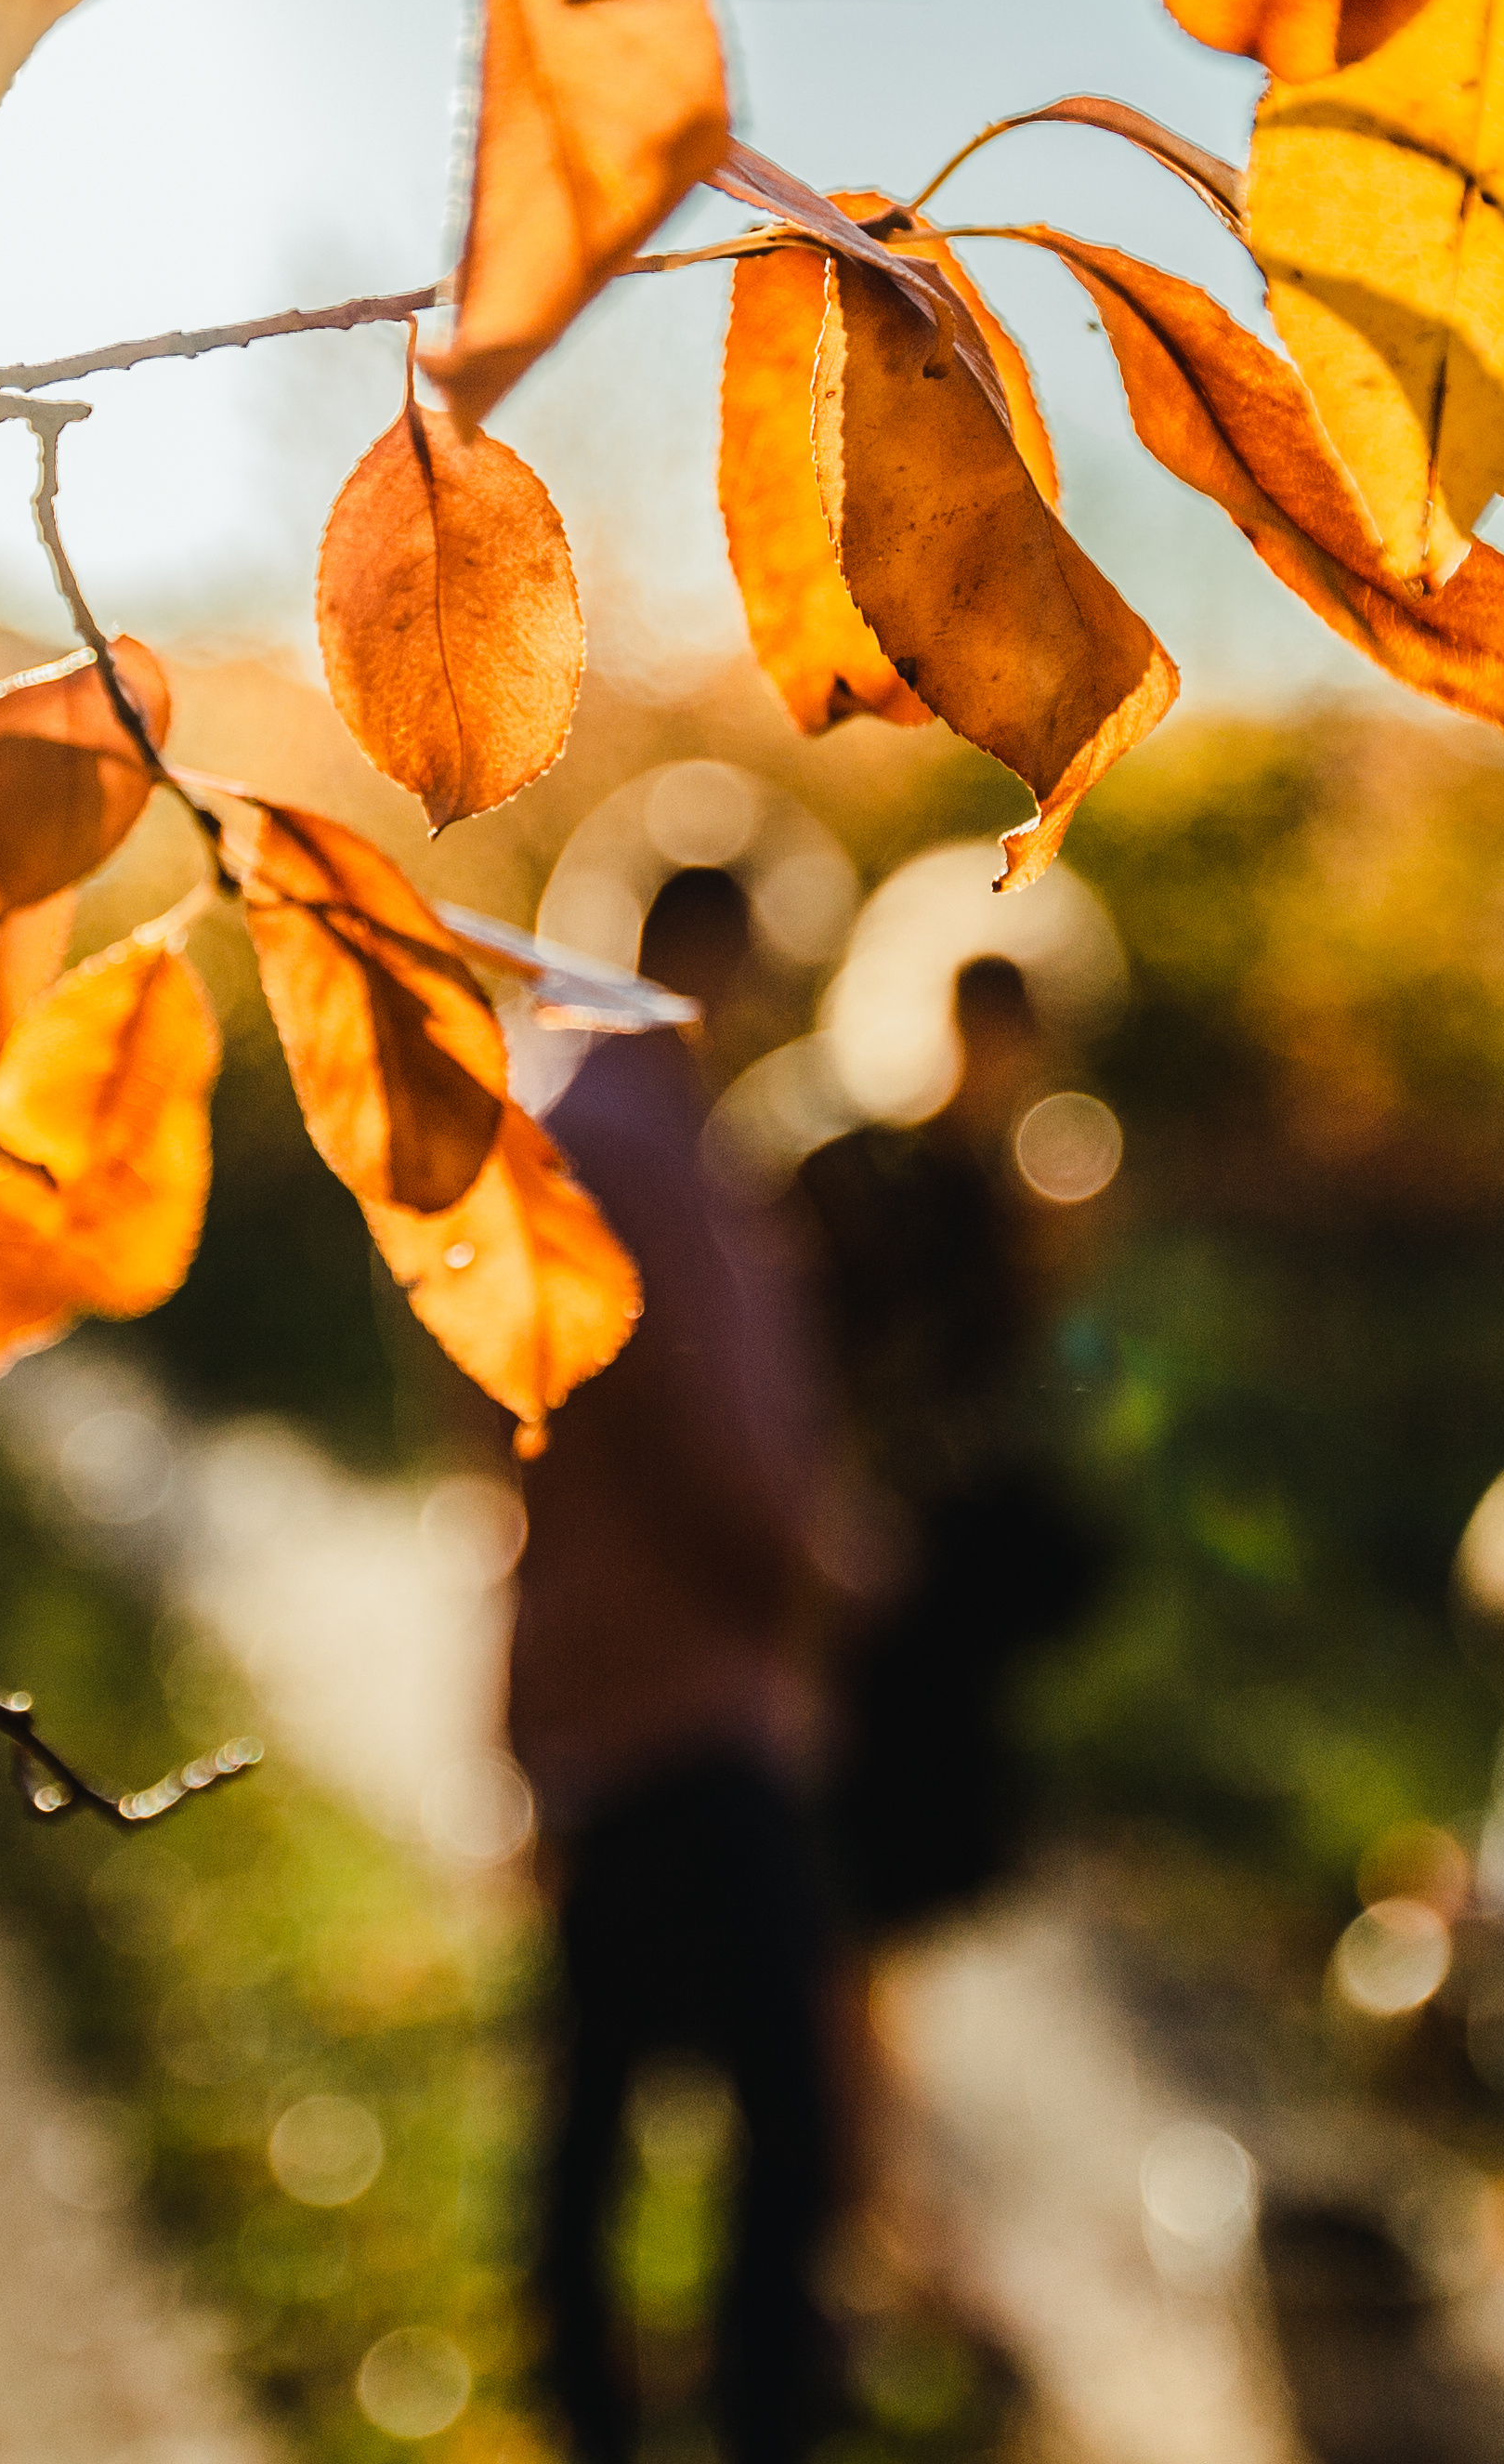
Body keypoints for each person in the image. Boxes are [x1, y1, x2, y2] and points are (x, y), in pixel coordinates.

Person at [507, 865, 853, 2464]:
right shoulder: (642, 1140)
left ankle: (594, 2398)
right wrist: (812, 1570)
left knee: (601, 2073)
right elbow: (701, 1417)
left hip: (589, 1659)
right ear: (702, 948)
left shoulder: (567, 1108)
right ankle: (735, 2413)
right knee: (782, 2113)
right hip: (679, 1683)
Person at [795, 954, 1112, 1943]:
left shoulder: (1012, 1186)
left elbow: (1040, 1371)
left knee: (892, 1887)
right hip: (849, 1541)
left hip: (936, 1561)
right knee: (845, 1854)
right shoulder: (859, 1167)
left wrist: (1051, 1253)